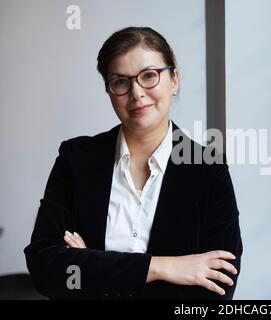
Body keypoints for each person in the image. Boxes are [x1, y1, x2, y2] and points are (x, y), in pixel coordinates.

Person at [24, 26, 243, 300]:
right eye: (120, 81)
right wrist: (165, 267)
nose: (136, 93)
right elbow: (45, 267)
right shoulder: (76, 160)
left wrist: (92, 265)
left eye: (149, 76)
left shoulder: (208, 169)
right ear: (109, 90)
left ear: (173, 79)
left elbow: (217, 288)